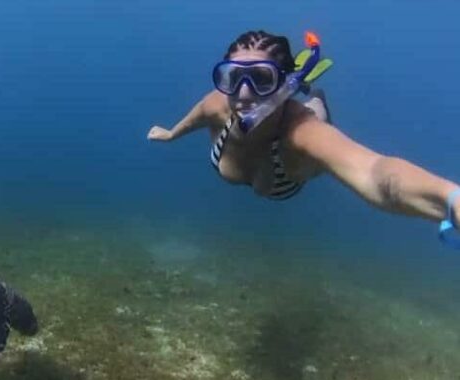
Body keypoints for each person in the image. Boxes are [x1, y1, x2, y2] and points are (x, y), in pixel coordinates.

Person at [147, 29, 460, 248]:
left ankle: (316, 96)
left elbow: (378, 174)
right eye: (232, 76)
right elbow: (194, 119)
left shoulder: (302, 135)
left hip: (300, 131)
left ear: (284, 85)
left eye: (261, 79)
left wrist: (450, 198)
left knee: (316, 111)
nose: (242, 93)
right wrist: (171, 134)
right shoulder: (217, 103)